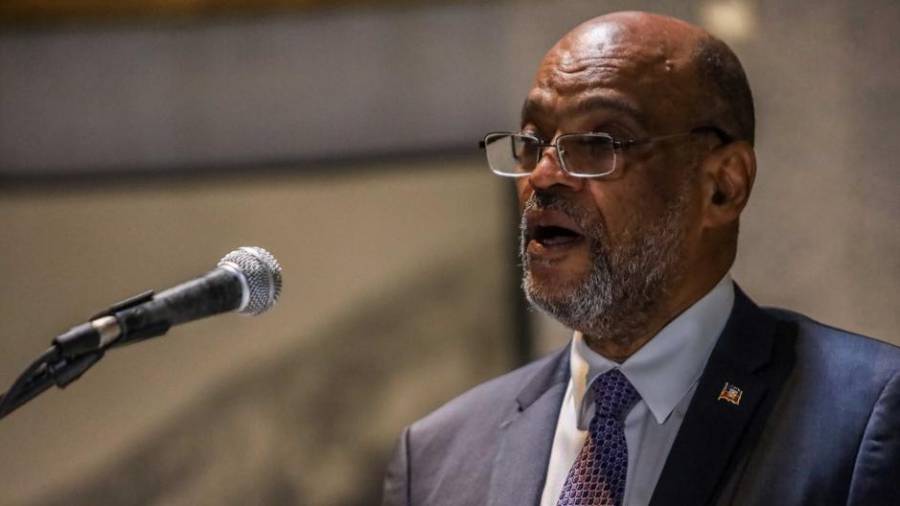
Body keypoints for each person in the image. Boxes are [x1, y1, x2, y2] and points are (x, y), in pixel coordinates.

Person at [382, 11, 899, 506]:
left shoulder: (865, 415)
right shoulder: (435, 458)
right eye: (533, 143)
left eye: (596, 143)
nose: (542, 175)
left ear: (723, 186)